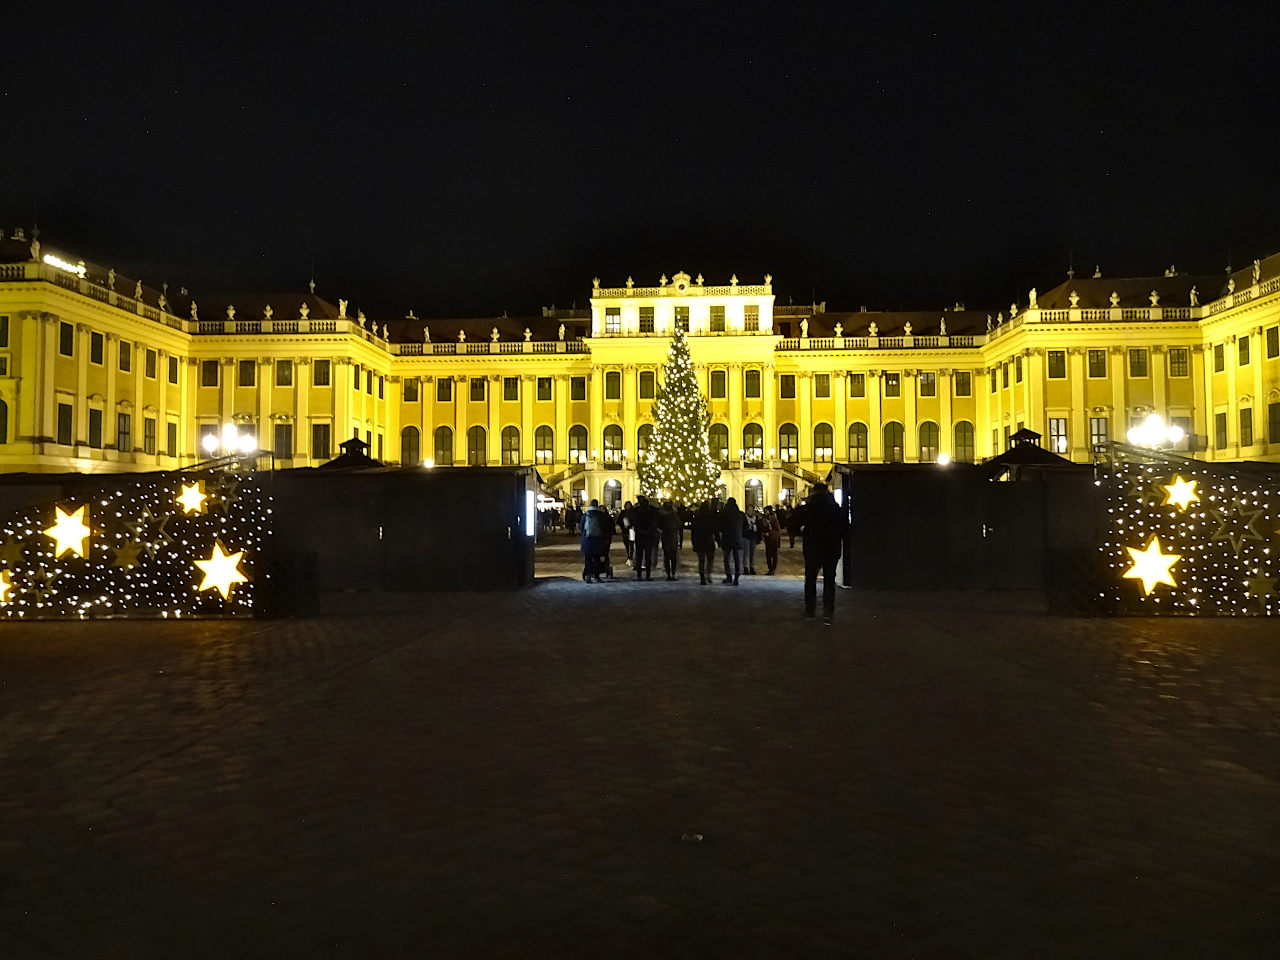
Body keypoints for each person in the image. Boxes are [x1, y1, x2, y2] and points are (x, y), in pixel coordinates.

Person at [787, 483, 849, 624]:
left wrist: (802, 532)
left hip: (812, 547)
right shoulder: (835, 509)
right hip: (831, 548)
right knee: (829, 581)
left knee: (810, 580)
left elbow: (791, 524)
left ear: (814, 492)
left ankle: (810, 611)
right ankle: (828, 613)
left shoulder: (808, 507)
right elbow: (845, 528)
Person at [717, 496, 745, 585]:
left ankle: (729, 576)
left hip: (726, 539)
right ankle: (737, 576)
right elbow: (746, 527)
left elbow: (719, 527)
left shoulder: (723, 514)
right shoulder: (740, 514)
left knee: (726, 558)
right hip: (737, 539)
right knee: (737, 559)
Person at [580, 498, 609, 582]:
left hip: (587, 541)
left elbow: (581, 527)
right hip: (598, 541)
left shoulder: (585, 515)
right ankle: (596, 576)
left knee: (588, 559)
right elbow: (605, 528)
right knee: (597, 559)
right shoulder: (601, 515)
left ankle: (588, 575)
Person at [690, 501, 718, 585]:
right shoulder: (711, 517)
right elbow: (715, 529)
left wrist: (694, 542)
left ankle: (702, 577)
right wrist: (718, 540)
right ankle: (708, 574)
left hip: (700, 541)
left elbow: (694, 531)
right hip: (709, 541)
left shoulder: (697, 517)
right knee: (710, 560)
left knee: (701, 560)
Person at [631, 495, 658, 581]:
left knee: (639, 556)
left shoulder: (637, 511)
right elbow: (654, 522)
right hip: (648, 535)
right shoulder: (651, 511)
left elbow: (634, 522)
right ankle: (647, 575)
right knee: (647, 556)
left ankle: (640, 575)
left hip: (640, 535)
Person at [658, 500, 683, 580]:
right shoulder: (674, 515)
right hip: (672, 537)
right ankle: (672, 573)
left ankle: (669, 573)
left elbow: (659, 526)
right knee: (673, 557)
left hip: (666, 537)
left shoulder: (662, 516)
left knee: (667, 556)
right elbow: (679, 524)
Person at [761, 505, 782, 574]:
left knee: (773, 554)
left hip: (773, 539)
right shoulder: (765, 518)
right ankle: (771, 569)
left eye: (766, 510)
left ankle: (773, 569)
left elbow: (777, 529)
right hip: (768, 539)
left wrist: (769, 533)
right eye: (764, 511)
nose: (765, 512)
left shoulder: (773, 519)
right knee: (768, 554)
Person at [743, 506, 760, 575]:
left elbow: (759, 528)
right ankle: (746, 568)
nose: (751, 511)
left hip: (753, 537)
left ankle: (752, 567)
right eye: (749, 510)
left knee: (752, 553)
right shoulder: (744, 518)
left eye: (752, 510)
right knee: (746, 553)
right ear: (746, 511)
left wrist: (758, 537)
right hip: (746, 537)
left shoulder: (756, 518)